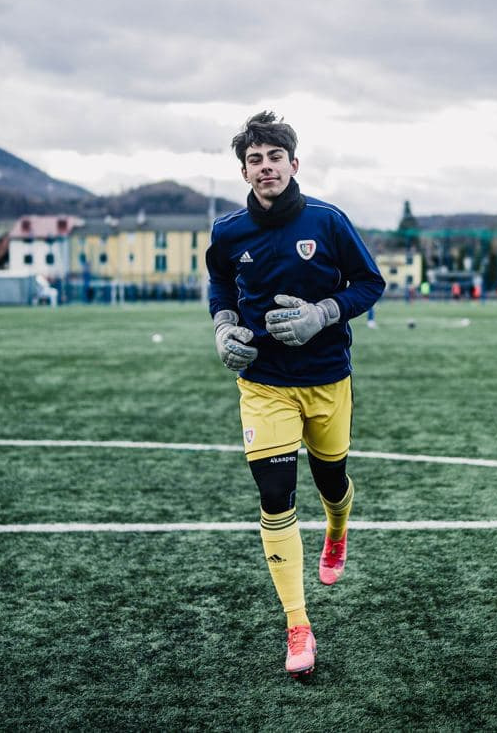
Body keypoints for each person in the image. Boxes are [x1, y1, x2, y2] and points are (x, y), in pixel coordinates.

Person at [206, 111, 385, 678]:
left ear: (294, 163)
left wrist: (323, 314)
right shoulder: (228, 232)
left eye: (275, 157)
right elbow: (219, 282)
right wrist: (223, 327)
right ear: (244, 171)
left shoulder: (328, 222)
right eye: (255, 160)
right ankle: (298, 625)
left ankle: (337, 529)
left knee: (332, 481)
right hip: (264, 384)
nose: (266, 167)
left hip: (328, 378)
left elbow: (370, 283)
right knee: (275, 494)